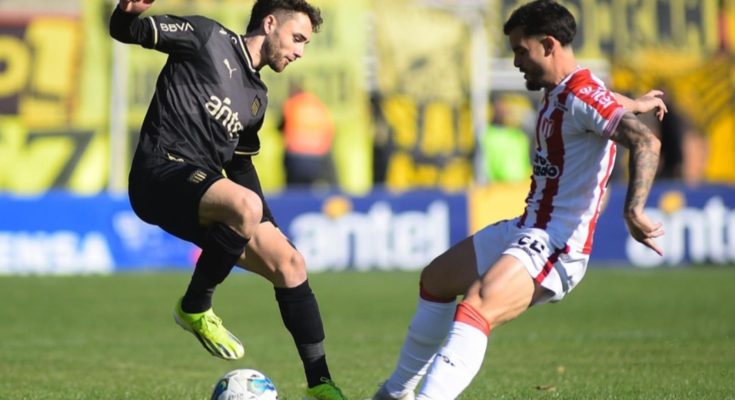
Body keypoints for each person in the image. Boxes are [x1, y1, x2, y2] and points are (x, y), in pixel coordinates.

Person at [371, 1, 667, 399]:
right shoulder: (570, 90)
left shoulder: (583, 95)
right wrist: (633, 103)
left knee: (475, 309)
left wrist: (633, 209)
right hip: (528, 227)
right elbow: (601, 103)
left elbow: (644, 139)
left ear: (548, 45)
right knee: (436, 280)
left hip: (558, 243)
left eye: (520, 51)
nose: (515, 62)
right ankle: (394, 393)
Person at [109, 1, 346, 399]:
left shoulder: (257, 97)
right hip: (158, 174)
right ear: (270, 24)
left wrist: (269, 225)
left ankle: (321, 384)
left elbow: (240, 169)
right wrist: (126, 11)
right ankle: (195, 306)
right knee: (245, 207)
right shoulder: (206, 37)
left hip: (200, 189)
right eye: (297, 38)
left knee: (290, 263)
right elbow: (126, 32)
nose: (300, 51)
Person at [279, 82, 336, 187]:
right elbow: (329, 129)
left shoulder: (291, 103)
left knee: (295, 191)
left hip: (295, 156)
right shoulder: (317, 104)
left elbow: (280, 127)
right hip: (319, 156)